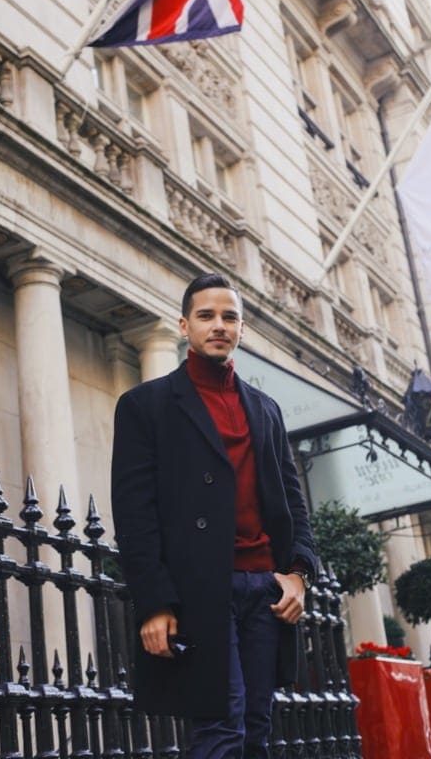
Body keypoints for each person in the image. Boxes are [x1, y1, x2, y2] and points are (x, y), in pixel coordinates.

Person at [111, 273, 318, 758]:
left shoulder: (265, 410)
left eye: (229, 317)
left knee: (254, 729)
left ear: (242, 330)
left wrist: (298, 573)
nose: (218, 325)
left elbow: (292, 499)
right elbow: (134, 513)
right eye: (206, 315)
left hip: (263, 591)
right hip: (200, 590)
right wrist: (155, 602)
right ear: (185, 325)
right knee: (220, 729)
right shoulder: (146, 405)